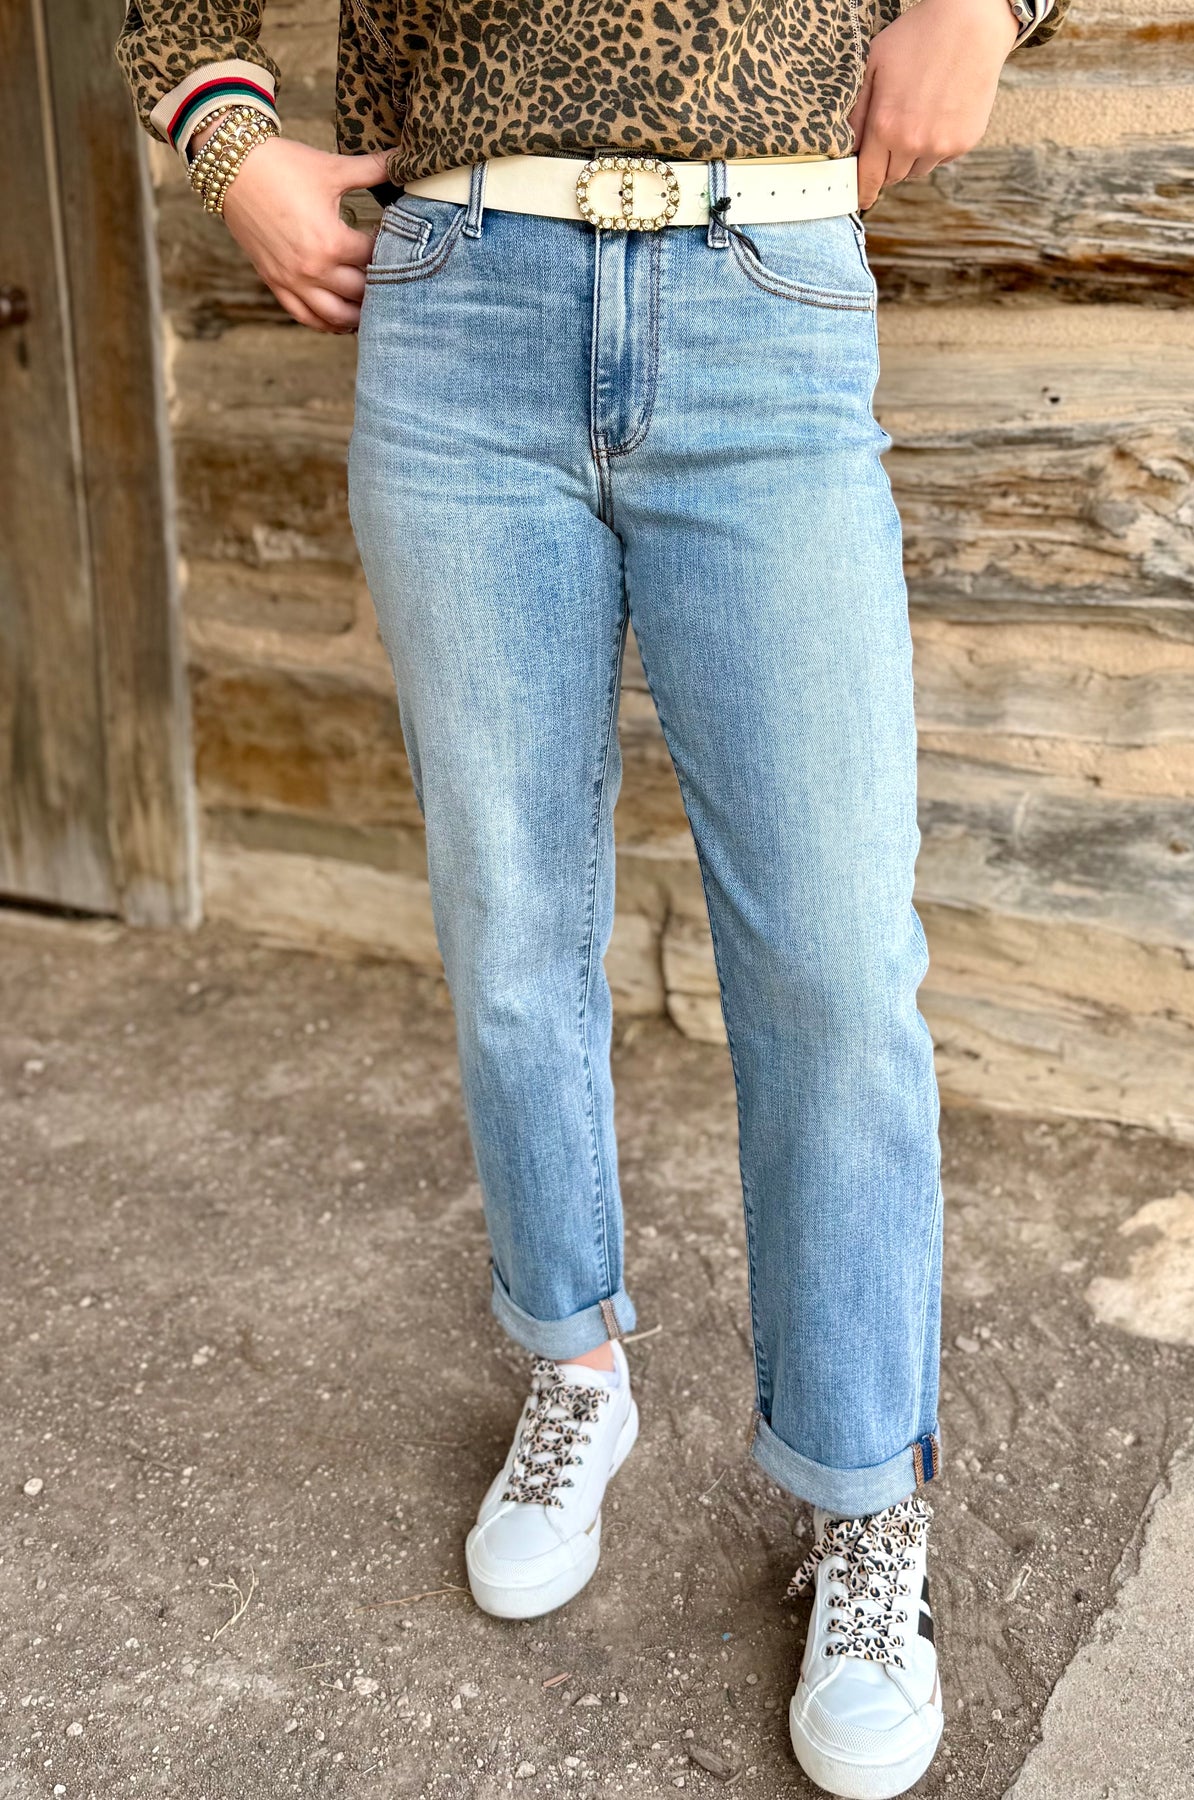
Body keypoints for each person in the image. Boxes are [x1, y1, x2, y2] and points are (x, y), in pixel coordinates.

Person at [116, 0, 1069, 1791]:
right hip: (460, 299)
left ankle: (862, 1496)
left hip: (764, 287)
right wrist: (229, 146)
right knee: (508, 924)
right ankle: (576, 1372)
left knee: (834, 963)